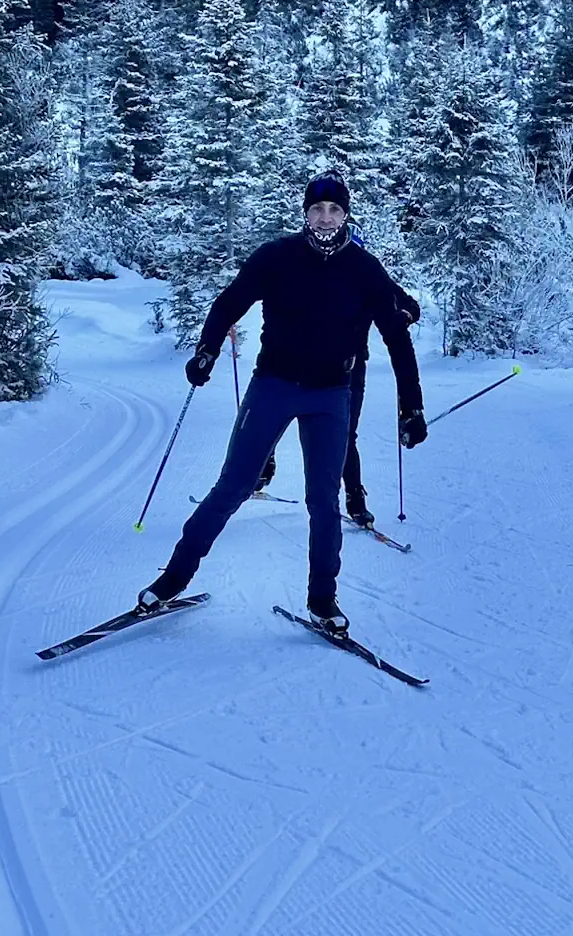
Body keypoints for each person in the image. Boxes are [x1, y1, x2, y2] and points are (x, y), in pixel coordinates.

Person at [139, 174, 428, 632]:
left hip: (331, 396)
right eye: (317, 210)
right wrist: (207, 350)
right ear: (306, 214)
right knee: (232, 487)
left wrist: (412, 407)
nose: (326, 218)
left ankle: (323, 600)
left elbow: (397, 339)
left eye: (334, 210)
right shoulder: (277, 258)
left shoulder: (364, 268)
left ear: (346, 214)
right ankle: (174, 577)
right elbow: (229, 302)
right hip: (272, 386)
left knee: (322, 500)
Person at [254, 221, 420, 529]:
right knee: (275, 416)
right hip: (302, 365)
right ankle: (263, 467)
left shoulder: (369, 276)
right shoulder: (315, 272)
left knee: (345, 436)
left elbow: (409, 303)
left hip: (352, 370)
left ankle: (355, 500)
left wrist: (403, 317)